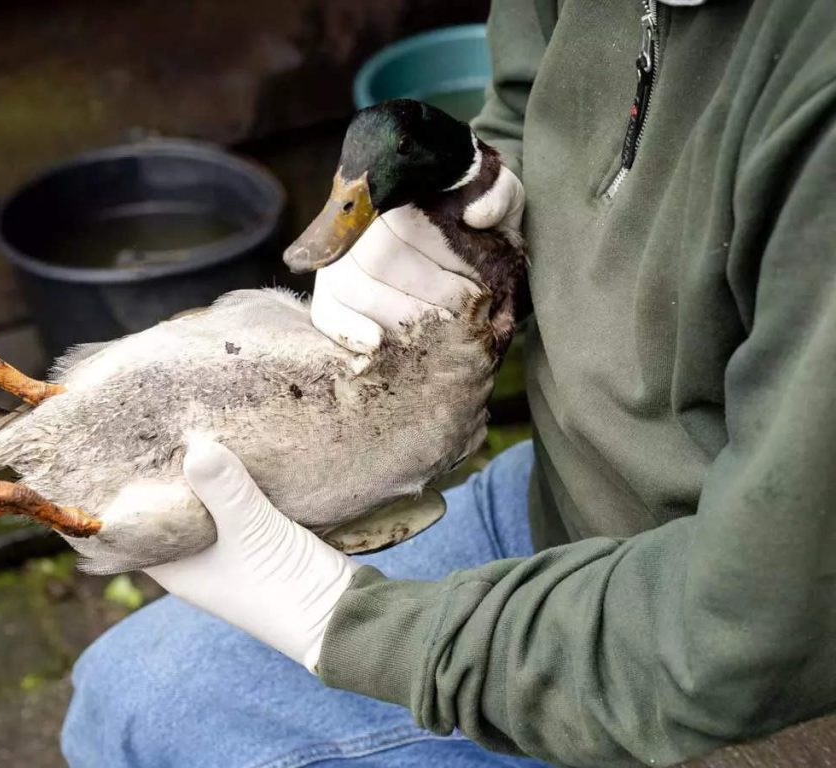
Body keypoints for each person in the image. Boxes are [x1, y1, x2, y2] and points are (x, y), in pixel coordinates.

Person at [62, 0, 836, 765]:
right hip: (564, 501)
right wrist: (474, 220)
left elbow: (754, 631)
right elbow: (551, 105)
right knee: (120, 694)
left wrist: (342, 622)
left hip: (709, 677)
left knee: (160, 727)